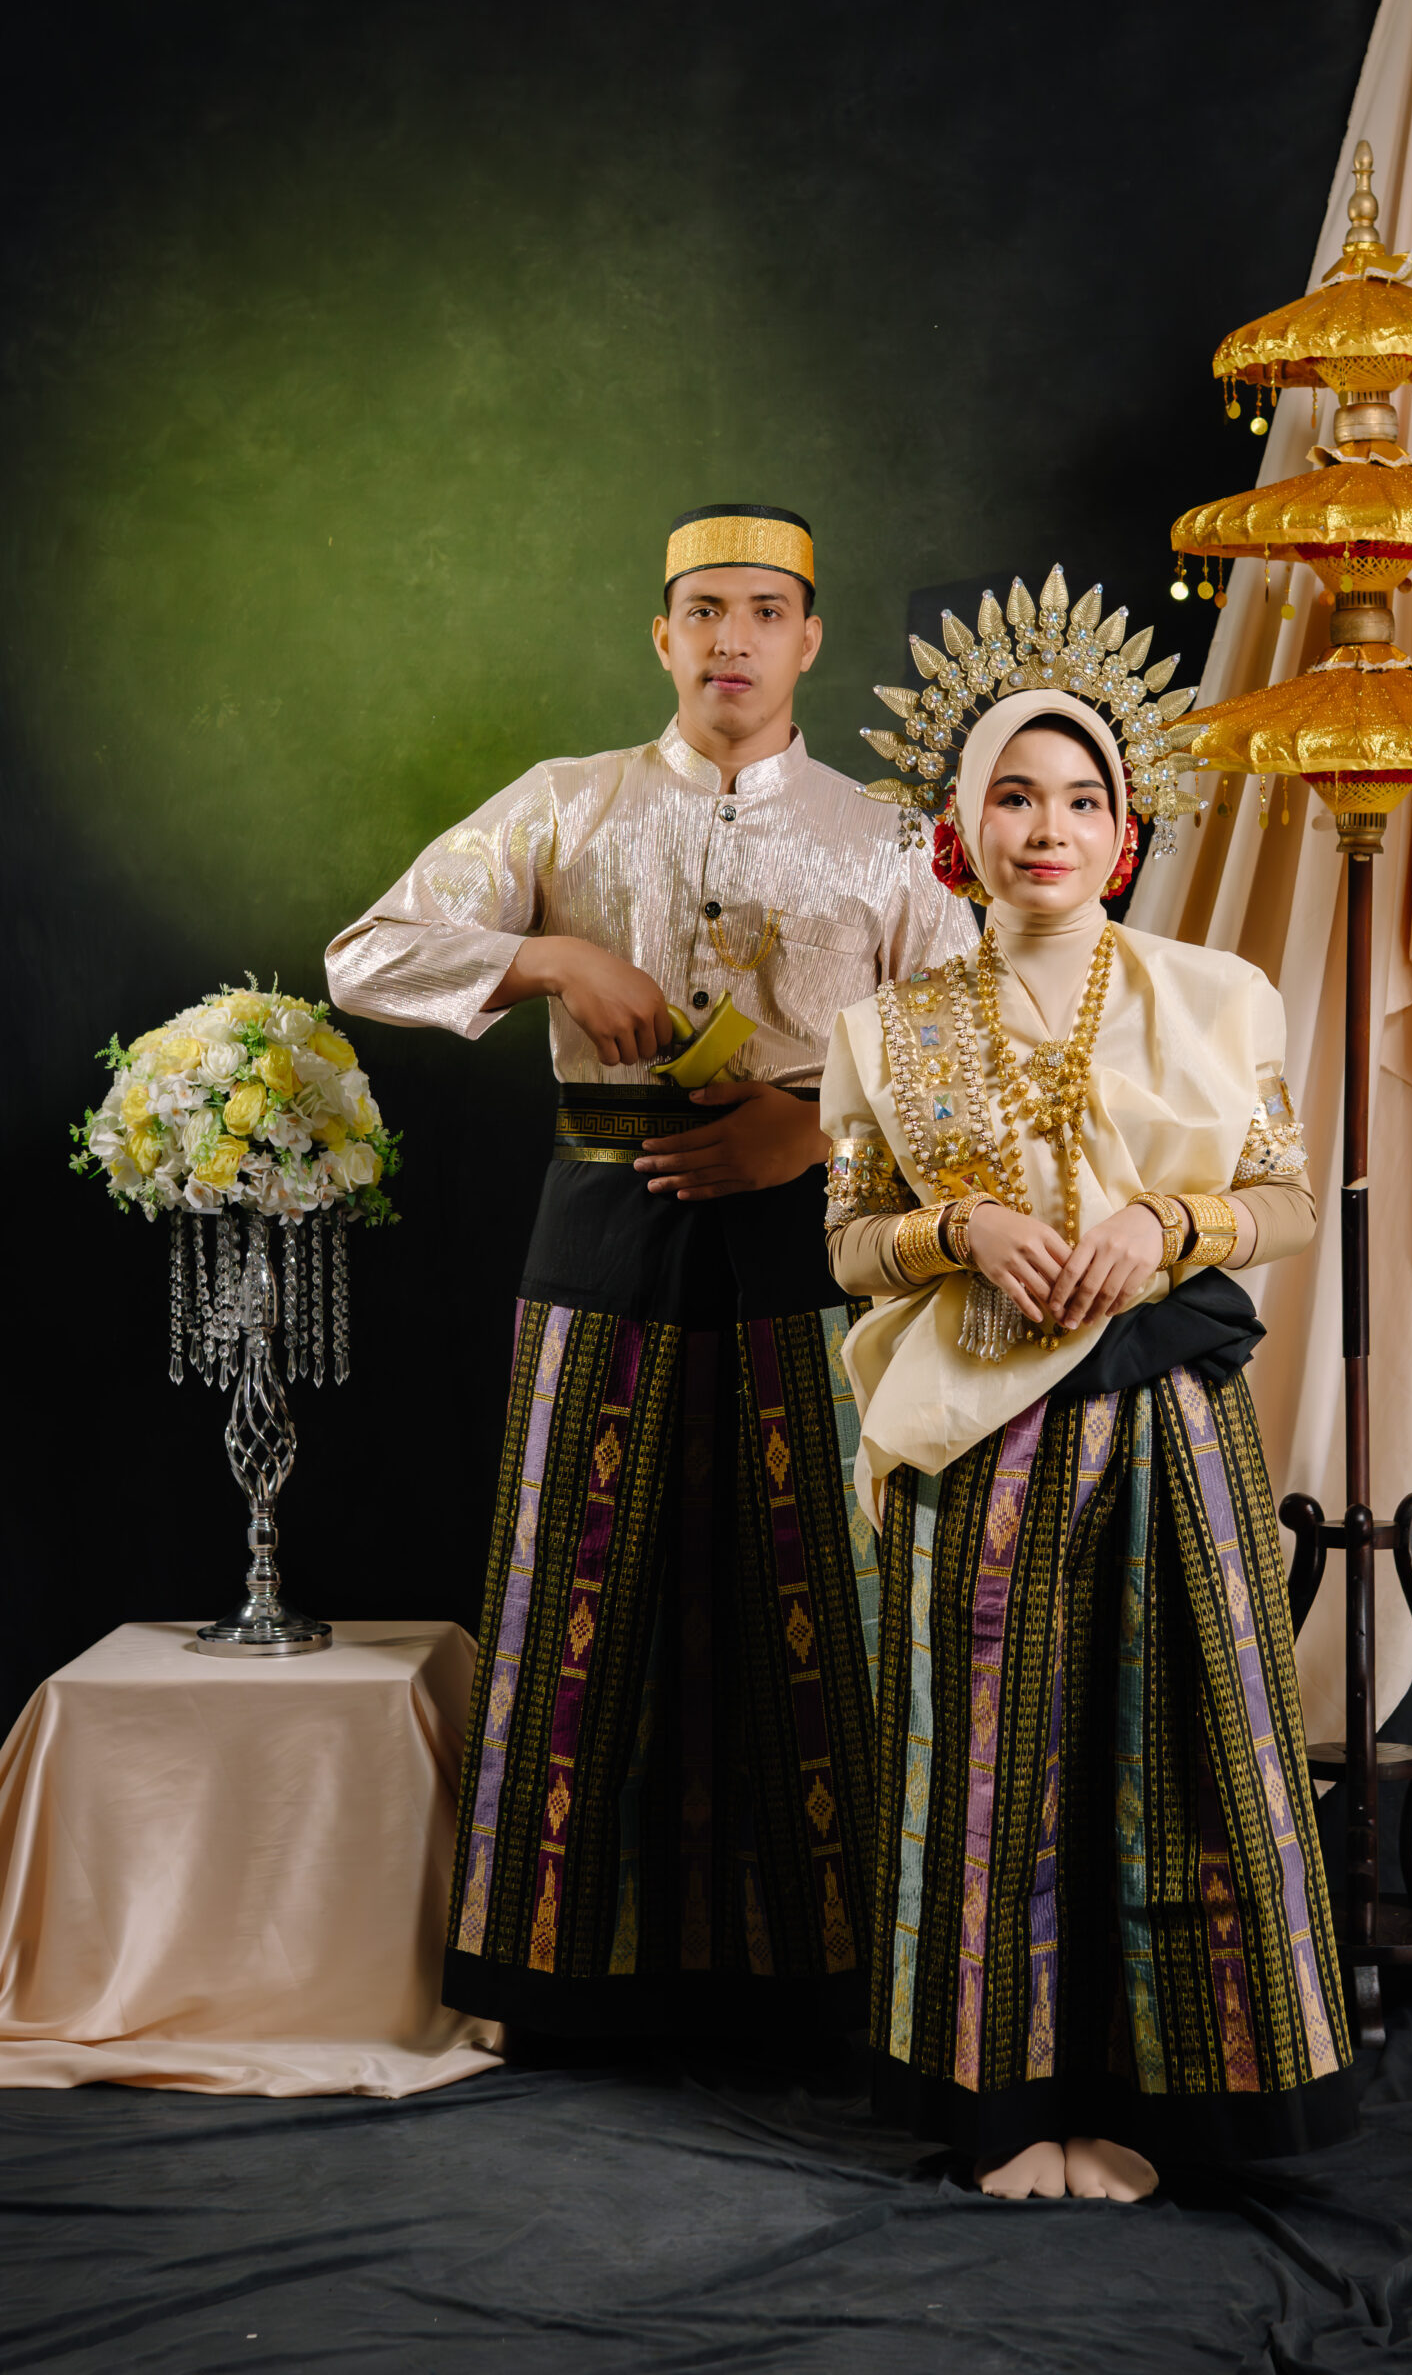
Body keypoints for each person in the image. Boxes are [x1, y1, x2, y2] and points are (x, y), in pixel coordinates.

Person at [325, 504, 976, 2051]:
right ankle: (555, 1981)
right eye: (704, 611)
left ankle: (830, 1988)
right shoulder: (567, 805)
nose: (732, 639)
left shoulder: (889, 836)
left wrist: (815, 1134)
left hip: (812, 1229)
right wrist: (546, 959)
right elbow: (365, 954)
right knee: (582, 1572)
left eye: (765, 611)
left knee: (822, 1573)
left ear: (810, 640)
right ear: (662, 636)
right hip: (602, 1219)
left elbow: (974, 1057)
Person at [819, 570, 1354, 2198]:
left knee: (1175, 1748)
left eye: (1079, 798)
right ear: (957, 827)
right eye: (1013, 794)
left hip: (1167, 1421)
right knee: (993, 1765)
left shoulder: (1218, 995)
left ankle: (1172, 2108)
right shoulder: (889, 1028)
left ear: (1124, 831)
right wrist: (960, 1229)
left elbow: (1285, 1201)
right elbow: (848, 1243)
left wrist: (1163, 1225)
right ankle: (1007, 2114)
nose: (1046, 826)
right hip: (975, 1430)